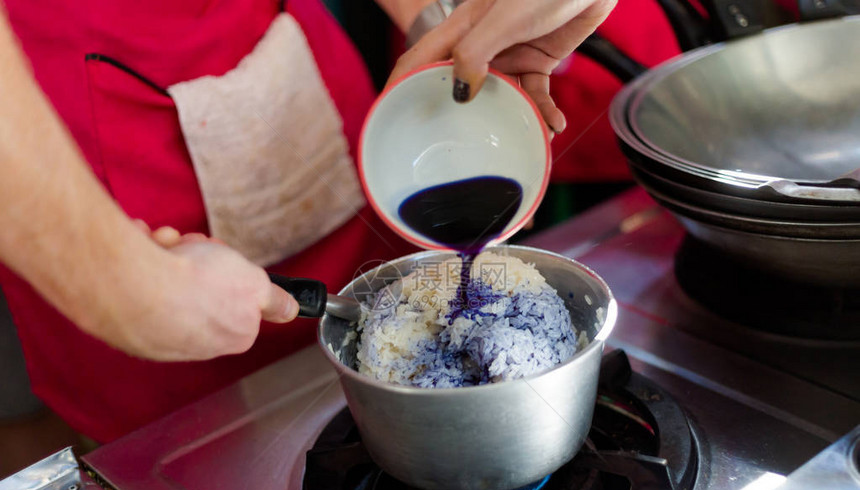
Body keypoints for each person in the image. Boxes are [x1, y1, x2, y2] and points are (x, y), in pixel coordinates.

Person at [0, 0, 616, 443]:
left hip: (281, 65)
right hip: (80, 124)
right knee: (174, 445)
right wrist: (118, 282)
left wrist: (441, 21)